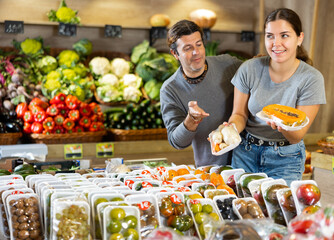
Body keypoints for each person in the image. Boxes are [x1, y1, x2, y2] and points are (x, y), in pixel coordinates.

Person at [226, 8, 326, 186]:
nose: (276, 43)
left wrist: (280, 124)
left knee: (279, 212)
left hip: (286, 158)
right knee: (241, 209)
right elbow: (239, 115)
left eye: (284, 35)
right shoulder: (249, 69)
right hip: (245, 152)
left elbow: (296, 136)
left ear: (299, 38)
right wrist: (229, 129)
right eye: (270, 36)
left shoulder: (312, 78)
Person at [160, 20, 242, 167]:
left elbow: (255, 77)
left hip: (247, 162)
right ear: (175, 53)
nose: (196, 52)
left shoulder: (229, 65)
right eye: (187, 48)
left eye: (199, 44)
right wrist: (190, 121)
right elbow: (177, 142)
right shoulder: (170, 90)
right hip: (212, 169)